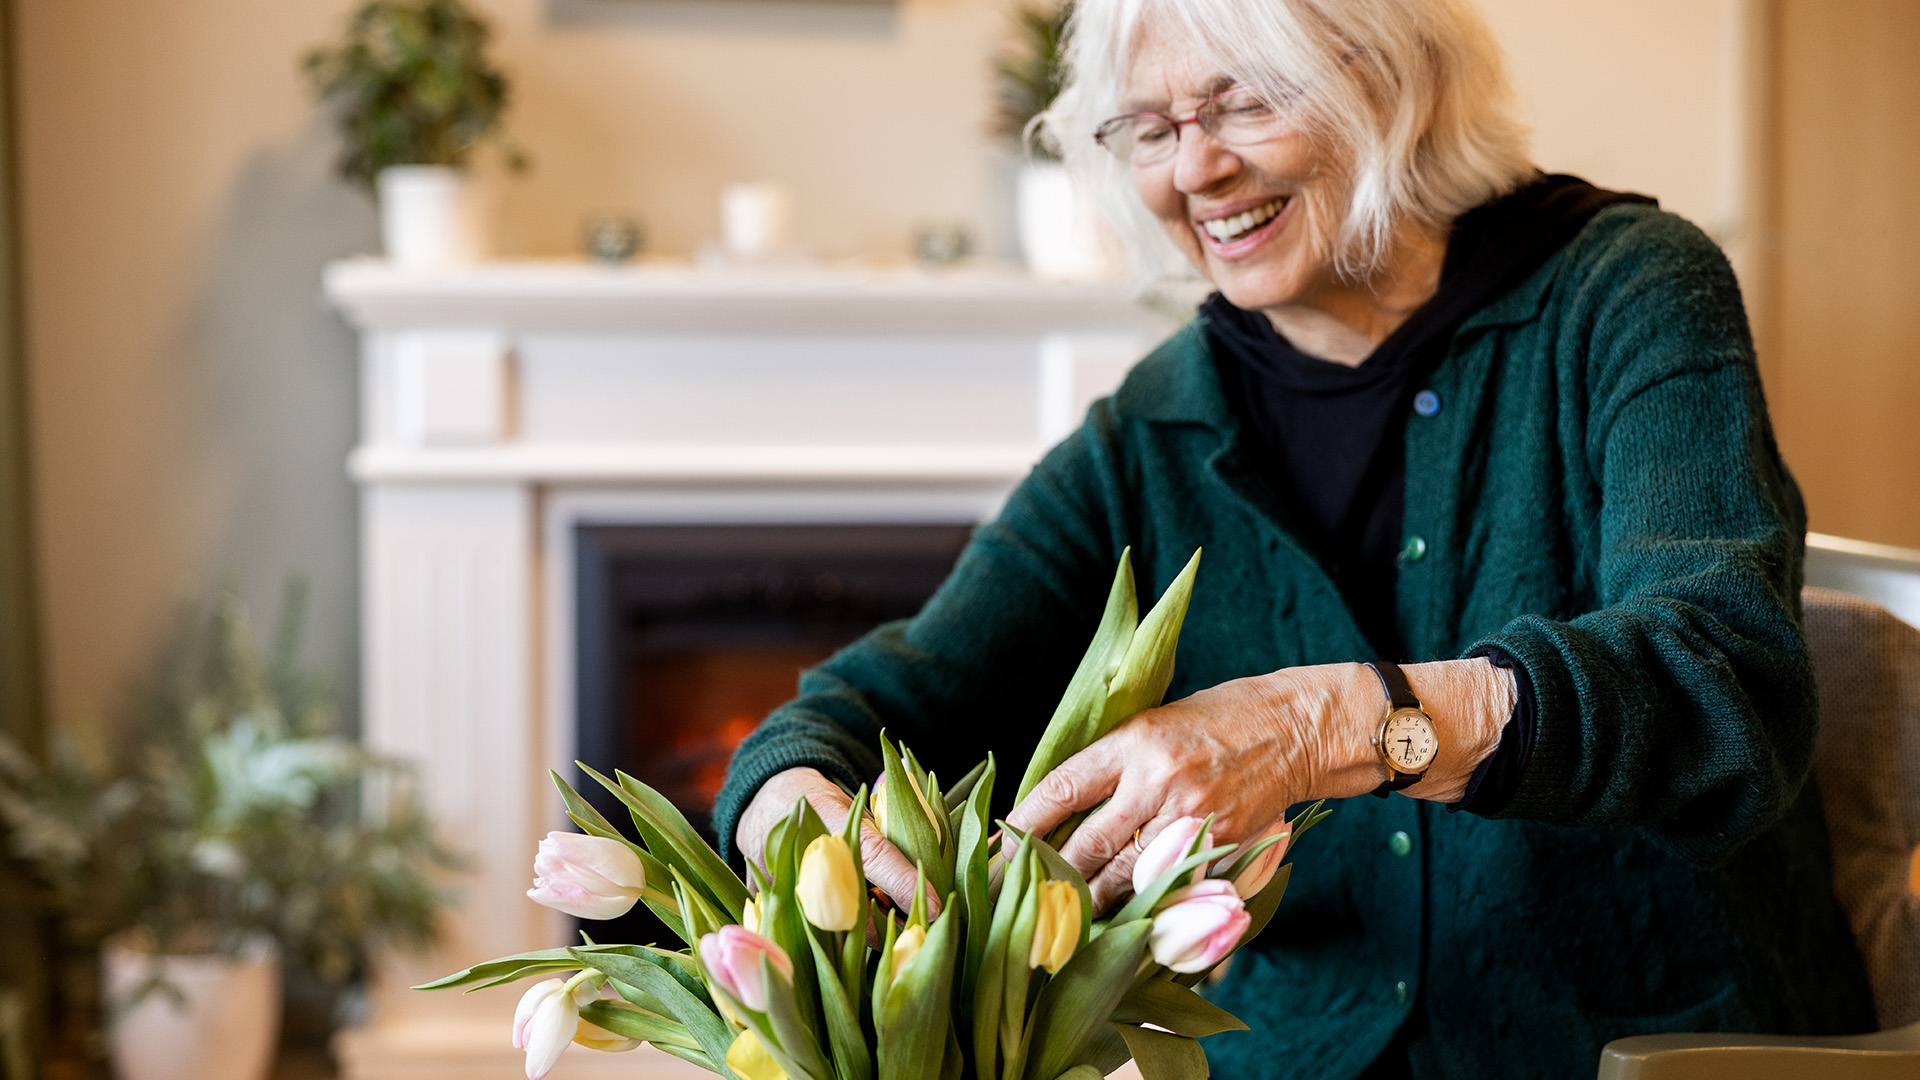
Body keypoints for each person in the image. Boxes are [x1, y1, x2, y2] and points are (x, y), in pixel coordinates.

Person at [713, 0, 1877, 1075]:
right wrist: (786, 797)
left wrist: (1320, 727)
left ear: (1394, 82)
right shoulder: (1157, 427)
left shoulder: (1624, 293)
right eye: (1152, 129)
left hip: (1639, 1052)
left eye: (1245, 102)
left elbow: (1724, 688)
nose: (1197, 169)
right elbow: (880, 700)